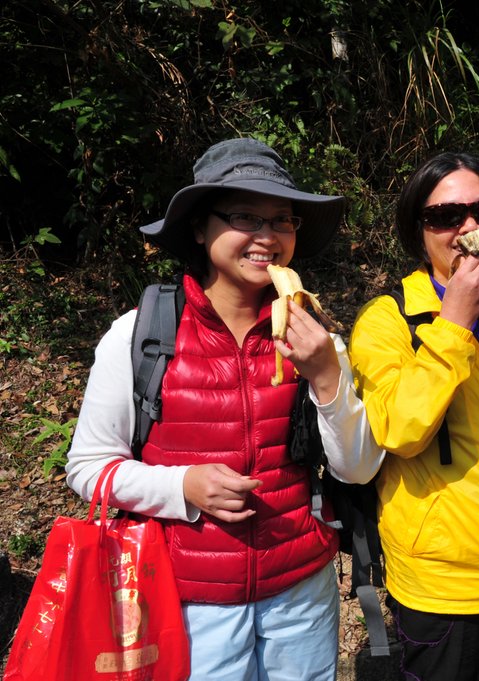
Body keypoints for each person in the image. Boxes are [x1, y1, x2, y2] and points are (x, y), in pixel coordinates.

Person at [65, 137, 385, 681]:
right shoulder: (141, 336)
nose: (268, 237)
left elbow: (357, 469)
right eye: (244, 217)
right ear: (199, 228)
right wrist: (182, 486)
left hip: (300, 595)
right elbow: (88, 468)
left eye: (282, 220)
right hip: (184, 597)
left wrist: (326, 376)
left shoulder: (316, 340)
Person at [347, 152, 479, 681]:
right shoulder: (387, 321)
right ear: (419, 235)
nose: (470, 228)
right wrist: (455, 321)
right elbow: (400, 431)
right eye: (446, 217)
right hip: (441, 588)